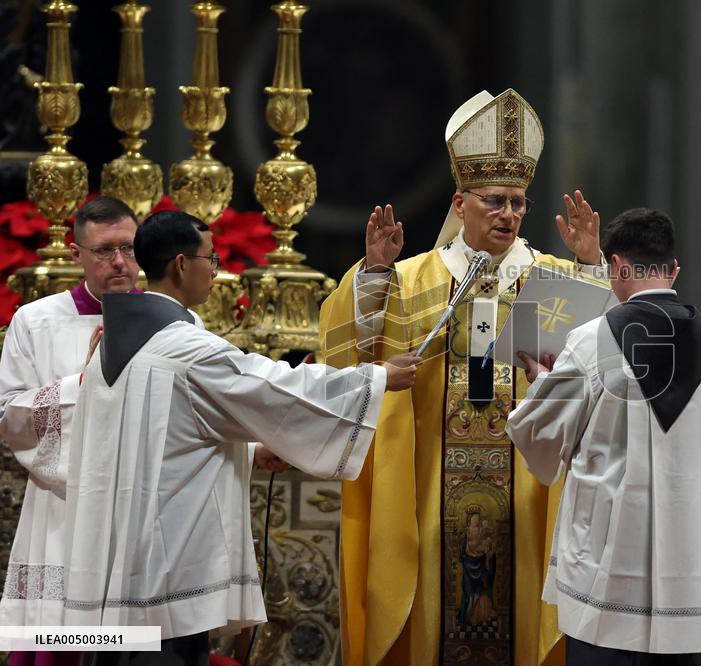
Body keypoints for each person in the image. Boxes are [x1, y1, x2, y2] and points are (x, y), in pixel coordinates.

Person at [319, 88, 606, 666]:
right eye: (495, 201)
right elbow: (354, 355)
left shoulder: (552, 278)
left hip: (528, 481)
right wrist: (372, 275)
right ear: (460, 202)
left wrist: (593, 267)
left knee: (525, 593)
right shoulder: (414, 278)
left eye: (519, 203)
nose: (508, 214)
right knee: (431, 590)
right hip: (430, 474)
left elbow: (603, 357)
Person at [56, 210, 418, 664]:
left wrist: (250, 452)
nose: (217, 269)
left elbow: (157, 441)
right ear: (182, 265)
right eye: (212, 258)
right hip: (164, 582)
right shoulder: (184, 349)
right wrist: (377, 378)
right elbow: (274, 386)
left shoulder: (116, 344)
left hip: (115, 574)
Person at [506, 208, 701, 666]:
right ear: (673, 269)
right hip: (688, 565)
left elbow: (538, 433)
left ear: (617, 267)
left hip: (608, 572)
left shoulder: (593, 340)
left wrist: (539, 380)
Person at [0, 196, 140, 666]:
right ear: (75, 252)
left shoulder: (175, 322)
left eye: (128, 247)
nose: (119, 261)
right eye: (104, 250)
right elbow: (8, 417)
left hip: (139, 513)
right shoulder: (36, 322)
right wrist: (82, 385)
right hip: (63, 515)